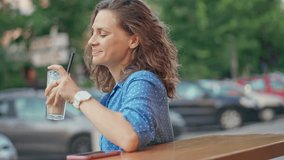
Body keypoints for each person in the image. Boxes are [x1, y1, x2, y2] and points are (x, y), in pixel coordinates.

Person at [45, 0, 179, 152]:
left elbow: (129, 137)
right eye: (93, 33)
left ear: (134, 40)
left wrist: (77, 96)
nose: (91, 41)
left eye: (102, 34)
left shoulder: (143, 80)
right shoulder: (114, 93)